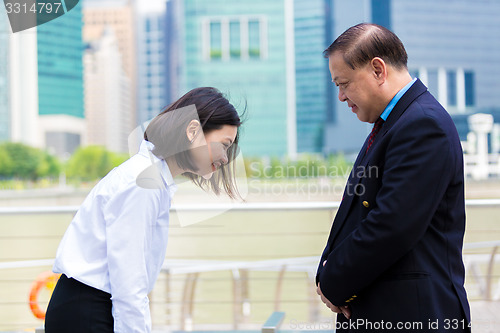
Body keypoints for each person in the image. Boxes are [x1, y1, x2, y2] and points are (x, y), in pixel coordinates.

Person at [45, 87, 243, 332]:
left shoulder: (151, 178)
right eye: (224, 145)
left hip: (86, 307)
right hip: (88, 312)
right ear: (193, 131)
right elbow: (128, 284)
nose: (226, 158)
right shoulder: (144, 183)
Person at [316, 23, 471, 332]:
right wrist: (329, 275)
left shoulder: (423, 125)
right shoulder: (396, 123)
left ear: (377, 69)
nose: (341, 96)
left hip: (416, 316)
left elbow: (392, 226)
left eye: (343, 83)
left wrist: (333, 282)